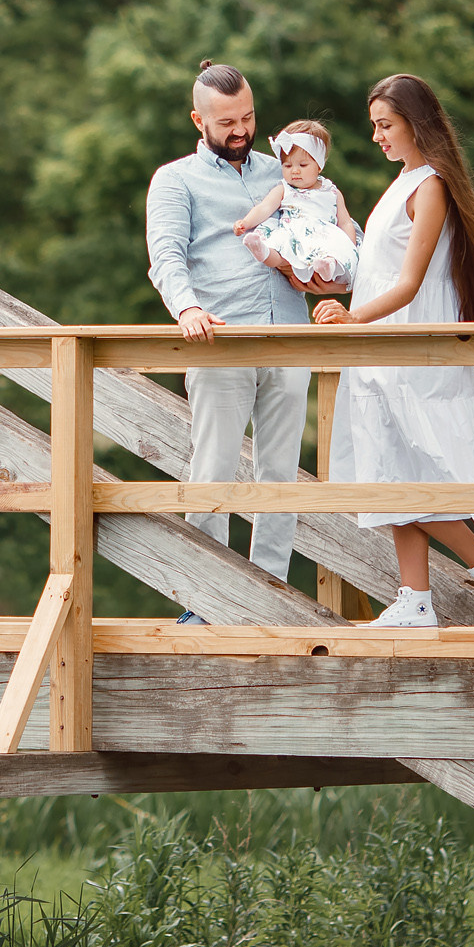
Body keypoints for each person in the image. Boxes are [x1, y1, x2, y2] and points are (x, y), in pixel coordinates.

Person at [312, 74, 474, 628]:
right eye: (375, 127)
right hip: (380, 353)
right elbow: (375, 269)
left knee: (413, 472)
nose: (377, 137)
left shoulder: (430, 185)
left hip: (409, 350)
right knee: (387, 470)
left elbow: (408, 282)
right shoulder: (401, 183)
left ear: (415, 124)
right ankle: (416, 598)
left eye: (386, 125)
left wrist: (353, 319)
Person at [145, 62, 316, 609]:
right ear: (199, 120)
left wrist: (326, 277)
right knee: (212, 470)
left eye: (247, 117)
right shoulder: (175, 179)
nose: (240, 130)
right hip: (219, 339)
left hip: (289, 337)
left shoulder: (285, 171)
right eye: (226, 123)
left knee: (280, 476)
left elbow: (336, 236)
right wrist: (187, 308)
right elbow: (165, 256)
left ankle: (270, 595)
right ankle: (205, 598)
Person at [234, 120, 362, 288]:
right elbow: (265, 207)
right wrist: (246, 222)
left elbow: (344, 221)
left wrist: (348, 245)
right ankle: (261, 250)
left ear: (319, 166)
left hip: (323, 235)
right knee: (280, 249)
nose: (294, 171)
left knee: (333, 251)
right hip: (293, 231)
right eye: (287, 165)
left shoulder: (332, 192)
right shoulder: (284, 189)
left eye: (302, 165)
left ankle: (328, 267)